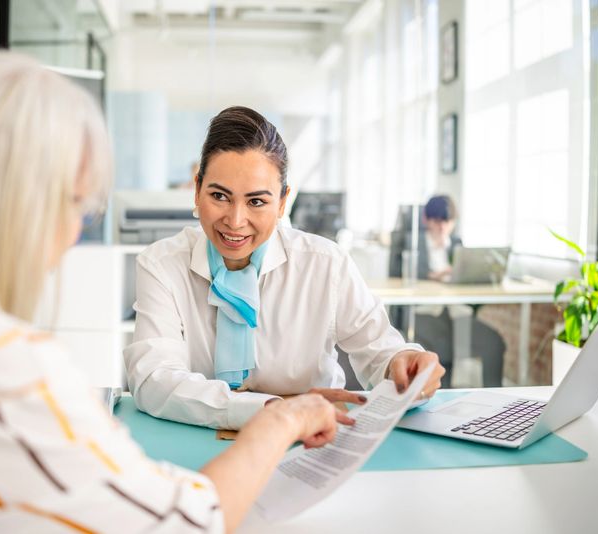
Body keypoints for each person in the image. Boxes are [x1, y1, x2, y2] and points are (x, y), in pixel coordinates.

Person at [0, 51, 346, 534]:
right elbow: (183, 523)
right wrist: (283, 418)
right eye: (78, 206)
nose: (73, 235)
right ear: (18, 204)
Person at [124, 106, 445, 430]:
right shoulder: (162, 265)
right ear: (197, 190)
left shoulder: (325, 265)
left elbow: (382, 353)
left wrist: (402, 366)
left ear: (282, 202)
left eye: (257, 201)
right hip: (194, 446)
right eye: (220, 196)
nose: (235, 221)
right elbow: (154, 381)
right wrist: (276, 411)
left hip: (314, 443)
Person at [388, 195, 505, 387]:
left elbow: (468, 283)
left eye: (448, 221)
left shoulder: (457, 244)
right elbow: (396, 278)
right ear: (426, 220)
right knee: (443, 348)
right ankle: (442, 396)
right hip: (423, 312)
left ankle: (498, 399)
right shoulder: (410, 243)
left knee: (493, 344)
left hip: (455, 313)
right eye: (437, 221)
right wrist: (432, 276)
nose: (443, 227)